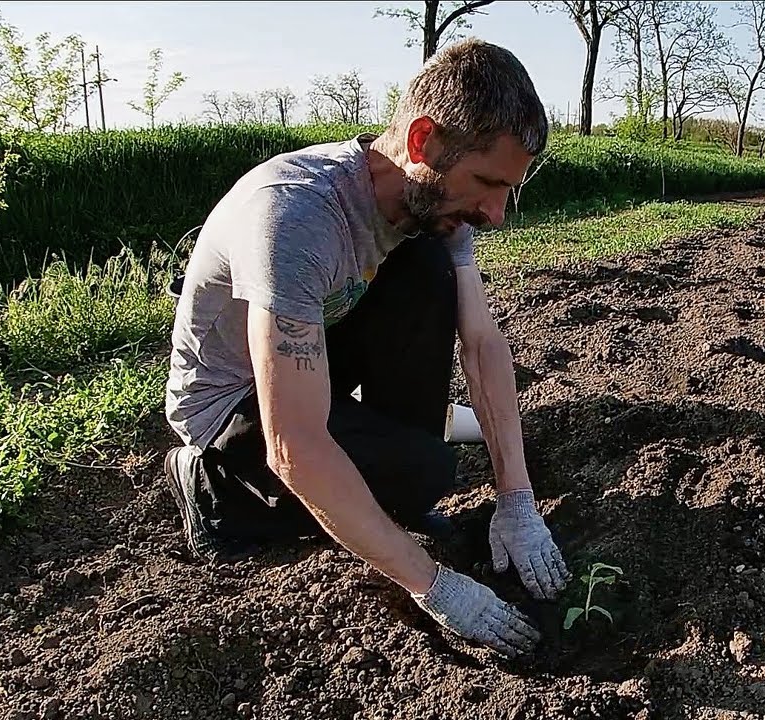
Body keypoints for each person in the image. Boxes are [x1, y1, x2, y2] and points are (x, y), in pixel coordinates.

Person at [160, 38, 570, 657]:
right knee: (422, 472)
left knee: (428, 270)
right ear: (423, 142)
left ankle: (391, 487)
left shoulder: (435, 204)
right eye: (487, 183)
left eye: (506, 190)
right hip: (232, 402)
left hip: (317, 350)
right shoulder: (297, 216)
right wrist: (434, 585)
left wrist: (517, 500)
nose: (496, 213)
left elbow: (482, 342)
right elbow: (295, 446)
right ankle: (212, 490)